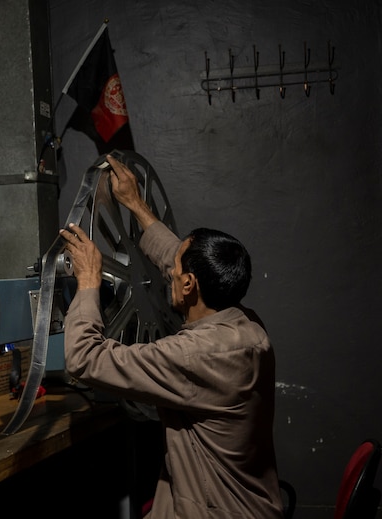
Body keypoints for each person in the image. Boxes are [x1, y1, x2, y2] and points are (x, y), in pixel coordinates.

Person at [59, 154, 283, 519]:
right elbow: (174, 259)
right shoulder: (245, 326)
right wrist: (136, 206)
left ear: (190, 284)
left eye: (176, 271)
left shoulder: (195, 356)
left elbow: (84, 359)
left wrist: (87, 283)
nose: (168, 272)